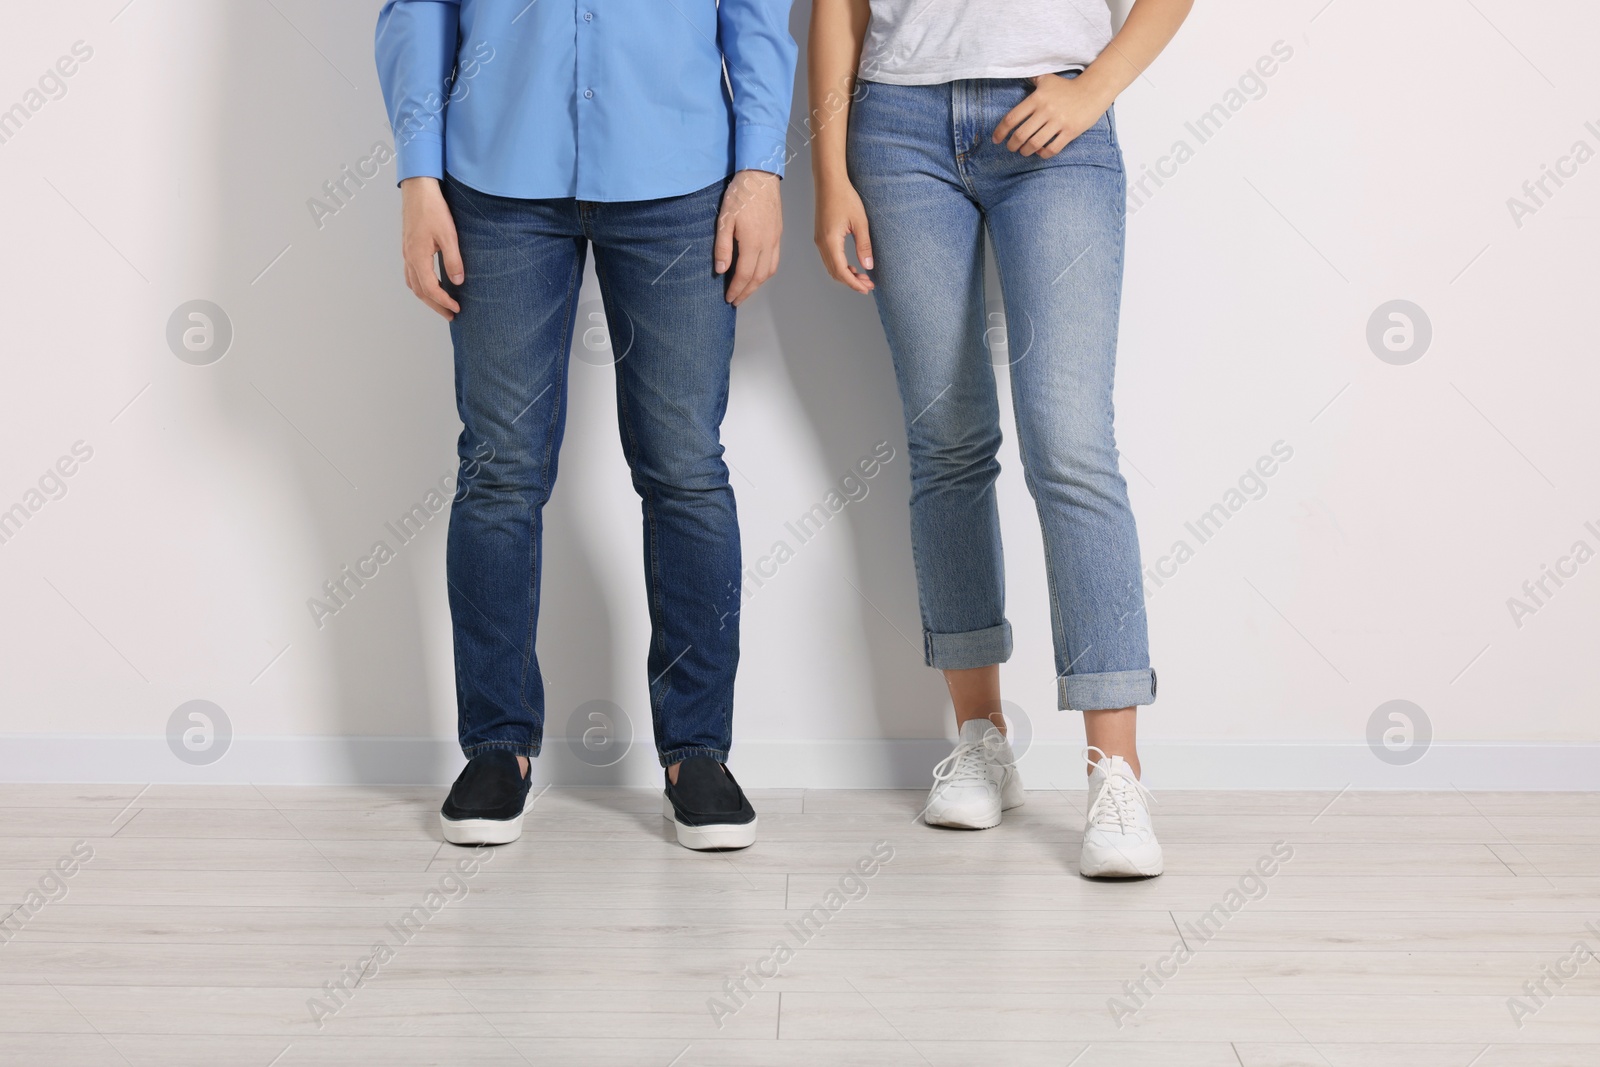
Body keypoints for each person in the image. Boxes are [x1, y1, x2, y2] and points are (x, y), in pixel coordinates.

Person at [375, 1, 797, 850]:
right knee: (499, 470)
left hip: (678, 170)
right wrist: (418, 172)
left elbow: (756, 10)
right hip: (496, 176)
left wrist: (761, 167)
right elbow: (417, 9)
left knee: (684, 467)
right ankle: (497, 749)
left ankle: (698, 754)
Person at [809, 0, 1192, 876]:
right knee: (948, 442)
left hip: (1055, 122)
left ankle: (1116, 775)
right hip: (897, 128)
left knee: (1070, 445)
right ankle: (981, 740)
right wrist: (830, 175)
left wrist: (1094, 89)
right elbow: (840, 8)